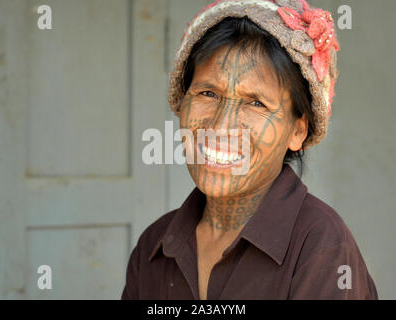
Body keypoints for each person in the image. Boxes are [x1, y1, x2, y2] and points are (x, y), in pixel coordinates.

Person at [122, 0, 378, 300]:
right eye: (208, 93)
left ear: (298, 130)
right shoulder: (155, 247)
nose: (220, 126)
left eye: (256, 102)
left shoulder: (322, 246)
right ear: (182, 103)